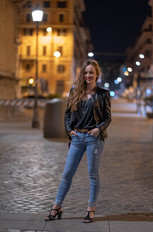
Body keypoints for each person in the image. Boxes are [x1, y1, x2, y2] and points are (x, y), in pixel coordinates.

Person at [45, 59, 112, 223]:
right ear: (82, 74)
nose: (88, 75)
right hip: (76, 138)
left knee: (92, 175)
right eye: (86, 72)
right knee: (67, 174)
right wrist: (69, 130)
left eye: (91, 72)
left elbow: (107, 118)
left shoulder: (103, 94)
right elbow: (67, 114)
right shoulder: (74, 91)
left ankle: (90, 209)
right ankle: (57, 206)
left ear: (96, 75)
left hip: (93, 138)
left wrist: (98, 129)